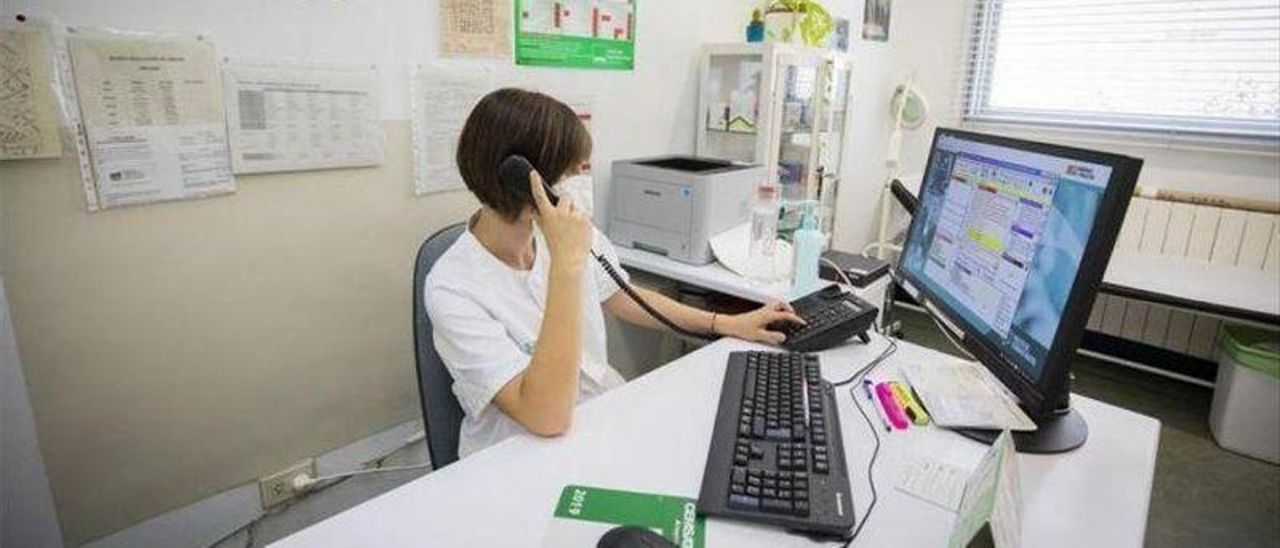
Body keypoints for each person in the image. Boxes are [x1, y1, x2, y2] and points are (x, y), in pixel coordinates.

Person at [424, 88, 805, 458]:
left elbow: (625, 296)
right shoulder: (453, 287)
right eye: (572, 171)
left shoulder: (565, 232)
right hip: (515, 452)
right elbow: (546, 415)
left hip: (595, 412)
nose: (582, 181)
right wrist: (567, 266)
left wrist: (724, 323)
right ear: (523, 181)